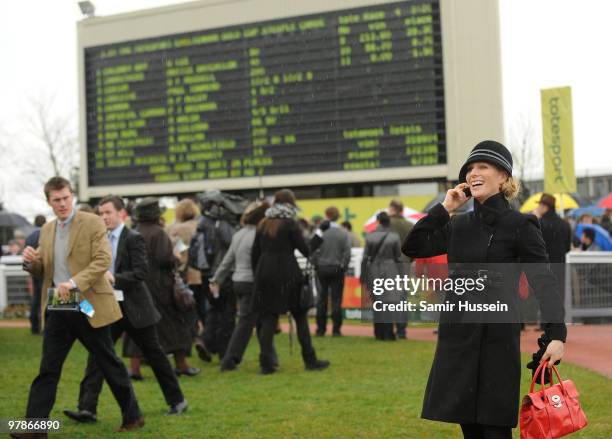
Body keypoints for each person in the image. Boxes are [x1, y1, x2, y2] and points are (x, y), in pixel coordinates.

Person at [402, 140, 566, 439]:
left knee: (495, 430)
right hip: (458, 339)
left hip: (497, 342)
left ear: (503, 176)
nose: (473, 173)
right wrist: (445, 208)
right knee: (471, 431)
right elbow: (413, 246)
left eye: (483, 167)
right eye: (470, 168)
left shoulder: (521, 224)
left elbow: (543, 280)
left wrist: (557, 334)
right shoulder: (458, 224)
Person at [18, 176, 143, 436]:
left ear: (71, 195)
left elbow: (102, 260)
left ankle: (133, 416)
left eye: (66, 197)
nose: (62, 203)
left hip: (87, 304)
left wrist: (74, 283)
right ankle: (35, 428)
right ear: (49, 202)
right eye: (57, 200)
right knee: (48, 368)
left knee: (108, 361)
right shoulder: (47, 230)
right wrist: (31, 261)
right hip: (59, 305)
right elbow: (44, 270)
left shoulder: (93, 222)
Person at [63, 195, 187, 425]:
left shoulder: (133, 238)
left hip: (135, 307)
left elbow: (141, 273)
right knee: (98, 355)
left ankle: (177, 400)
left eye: (108, 212)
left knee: (155, 354)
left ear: (122, 214)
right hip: (106, 307)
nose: (103, 217)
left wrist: (114, 278)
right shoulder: (96, 238)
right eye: (100, 213)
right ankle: (87, 409)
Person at [251, 189, 330, 374]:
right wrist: (319, 234)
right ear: (291, 203)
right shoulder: (290, 224)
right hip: (288, 273)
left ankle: (266, 364)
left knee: (268, 319)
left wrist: (259, 274)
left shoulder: (262, 224)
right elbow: (306, 250)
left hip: (264, 273)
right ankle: (310, 360)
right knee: (300, 317)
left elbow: (255, 254)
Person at [125, 198, 199, 377]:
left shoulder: (133, 232)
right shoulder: (158, 233)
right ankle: (181, 365)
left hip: (139, 286)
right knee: (174, 325)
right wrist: (175, 256)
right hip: (161, 287)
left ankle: (134, 369)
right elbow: (164, 258)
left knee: (138, 327)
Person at [209, 201, 272, 371]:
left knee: (257, 320)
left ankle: (269, 357)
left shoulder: (239, 234)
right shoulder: (261, 235)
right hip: (253, 282)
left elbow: (227, 261)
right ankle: (230, 360)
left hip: (238, 281)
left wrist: (216, 279)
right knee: (248, 322)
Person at [166, 199, 206, 359]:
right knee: (202, 309)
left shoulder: (175, 229)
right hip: (201, 273)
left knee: (185, 310)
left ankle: (192, 339)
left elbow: (172, 252)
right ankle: (203, 338)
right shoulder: (200, 226)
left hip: (183, 275)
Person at [361, 211, 404, 341]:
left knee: (377, 302)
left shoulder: (370, 236)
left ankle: (378, 332)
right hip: (391, 270)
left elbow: (365, 258)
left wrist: (363, 276)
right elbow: (399, 258)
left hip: (374, 270)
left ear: (378, 221)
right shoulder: (394, 236)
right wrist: (401, 276)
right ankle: (389, 333)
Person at [313, 206, 351, 337]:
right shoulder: (343, 232)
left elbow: (312, 250)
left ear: (326, 215)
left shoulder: (320, 232)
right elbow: (347, 252)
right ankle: (336, 329)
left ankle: (321, 329)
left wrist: (315, 264)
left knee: (321, 300)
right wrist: (343, 267)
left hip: (322, 268)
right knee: (336, 300)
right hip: (336, 268)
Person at [388, 199, 413, 339]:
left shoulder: (386, 224)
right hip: (404, 266)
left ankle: (387, 329)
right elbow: (415, 247)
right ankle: (401, 330)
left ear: (392, 209)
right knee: (402, 299)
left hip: (388, 266)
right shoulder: (409, 225)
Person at [25, 214, 47, 334]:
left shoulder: (29, 237)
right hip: (44, 271)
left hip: (33, 272)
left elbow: (26, 258)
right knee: (45, 299)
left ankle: (34, 326)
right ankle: (45, 326)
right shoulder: (46, 234)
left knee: (36, 298)